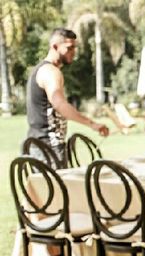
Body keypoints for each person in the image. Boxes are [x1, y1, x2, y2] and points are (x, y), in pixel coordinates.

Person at [26, 28, 109, 164]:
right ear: (55, 47)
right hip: (49, 147)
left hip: (38, 145)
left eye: (74, 48)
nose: (73, 53)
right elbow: (60, 105)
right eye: (69, 48)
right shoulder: (51, 72)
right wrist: (92, 124)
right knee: (58, 186)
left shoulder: (40, 70)